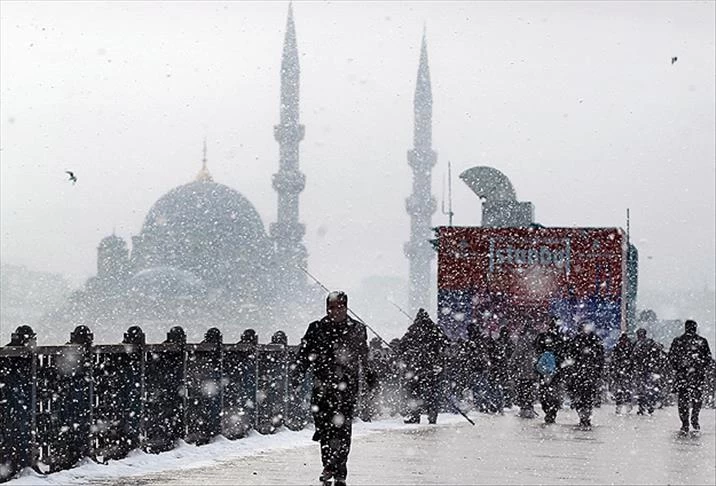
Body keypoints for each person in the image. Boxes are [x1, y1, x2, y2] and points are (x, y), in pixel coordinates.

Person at [291, 291, 368, 486]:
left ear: (346, 307)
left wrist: (369, 375)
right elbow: (304, 355)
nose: (335, 311)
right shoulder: (316, 328)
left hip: (346, 388)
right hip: (322, 388)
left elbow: (364, 357)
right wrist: (298, 375)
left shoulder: (357, 329)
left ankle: (338, 469)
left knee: (342, 430)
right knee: (324, 429)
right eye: (331, 307)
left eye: (339, 307)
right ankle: (329, 464)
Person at [399, 308, 448, 424]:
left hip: (416, 368)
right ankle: (432, 415)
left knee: (414, 393)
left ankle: (414, 415)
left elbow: (401, 346)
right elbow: (446, 342)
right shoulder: (435, 330)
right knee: (432, 393)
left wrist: (409, 353)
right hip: (431, 367)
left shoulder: (413, 330)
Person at [668, 320, 713, 434]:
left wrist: (679, 366)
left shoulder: (678, 341)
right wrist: (699, 364)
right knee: (695, 399)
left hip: (684, 375)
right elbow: (708, 358)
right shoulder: (701, 341)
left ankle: (686, 422)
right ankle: (693, 418)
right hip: (695, 375)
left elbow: (671, 357)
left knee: (684, 400)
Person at [567, 321, 605, 428]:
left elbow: (600, 358)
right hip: (582, 374)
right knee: (582, 397)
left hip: (586, 374)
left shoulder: (590, 341)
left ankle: (585, 417)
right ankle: (584, 416)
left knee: (585, 397)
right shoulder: (578, 340)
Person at [534, 316, 567, 424]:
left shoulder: (543, 337)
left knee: (546, 393)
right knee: (551, 394)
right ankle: (551, 412)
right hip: (553, 372)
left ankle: (550, 411)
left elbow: (536, 350)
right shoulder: (560, 338)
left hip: (546, 371)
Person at [631, 328, 660, 415]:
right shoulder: (650, 342)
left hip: (642, 369)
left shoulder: (637, 344)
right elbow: (657, 352)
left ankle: (643, 407)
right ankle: (649, 405)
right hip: (648, 369)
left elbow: (632, 356)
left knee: (642, 389)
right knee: (648, 389)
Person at [512, 323, 539, 418]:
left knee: (522, 390)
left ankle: (524, 408)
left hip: (523, 371)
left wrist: (513, 365)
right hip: (533, 371)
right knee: (530, 389)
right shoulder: (536, 340)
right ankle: (530, 407)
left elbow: (516, 355)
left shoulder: (523, 341)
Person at [609, 333, 634, 414]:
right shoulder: (620, 347)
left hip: (625, 371)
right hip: (621, 371)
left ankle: (626, 405)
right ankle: (620, 405)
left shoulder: (628, 348)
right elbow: (613, 359)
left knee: (626, 390)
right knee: (620, 390)